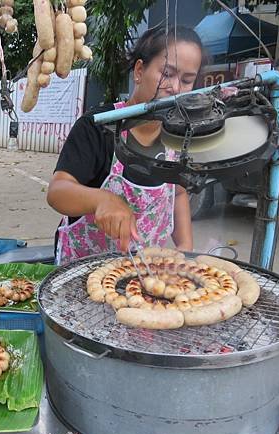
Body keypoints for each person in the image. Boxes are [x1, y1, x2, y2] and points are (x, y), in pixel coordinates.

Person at [47, 25, 204, 265]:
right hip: (82, 272)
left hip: (143, 274)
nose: (175, 88)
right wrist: (101, 200)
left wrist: (185, 248)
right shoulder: (98, 126)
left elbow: (179, 193)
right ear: (139, 71)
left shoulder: (178, 137)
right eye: (167, 74)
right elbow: (57, 192)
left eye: (187, 80)